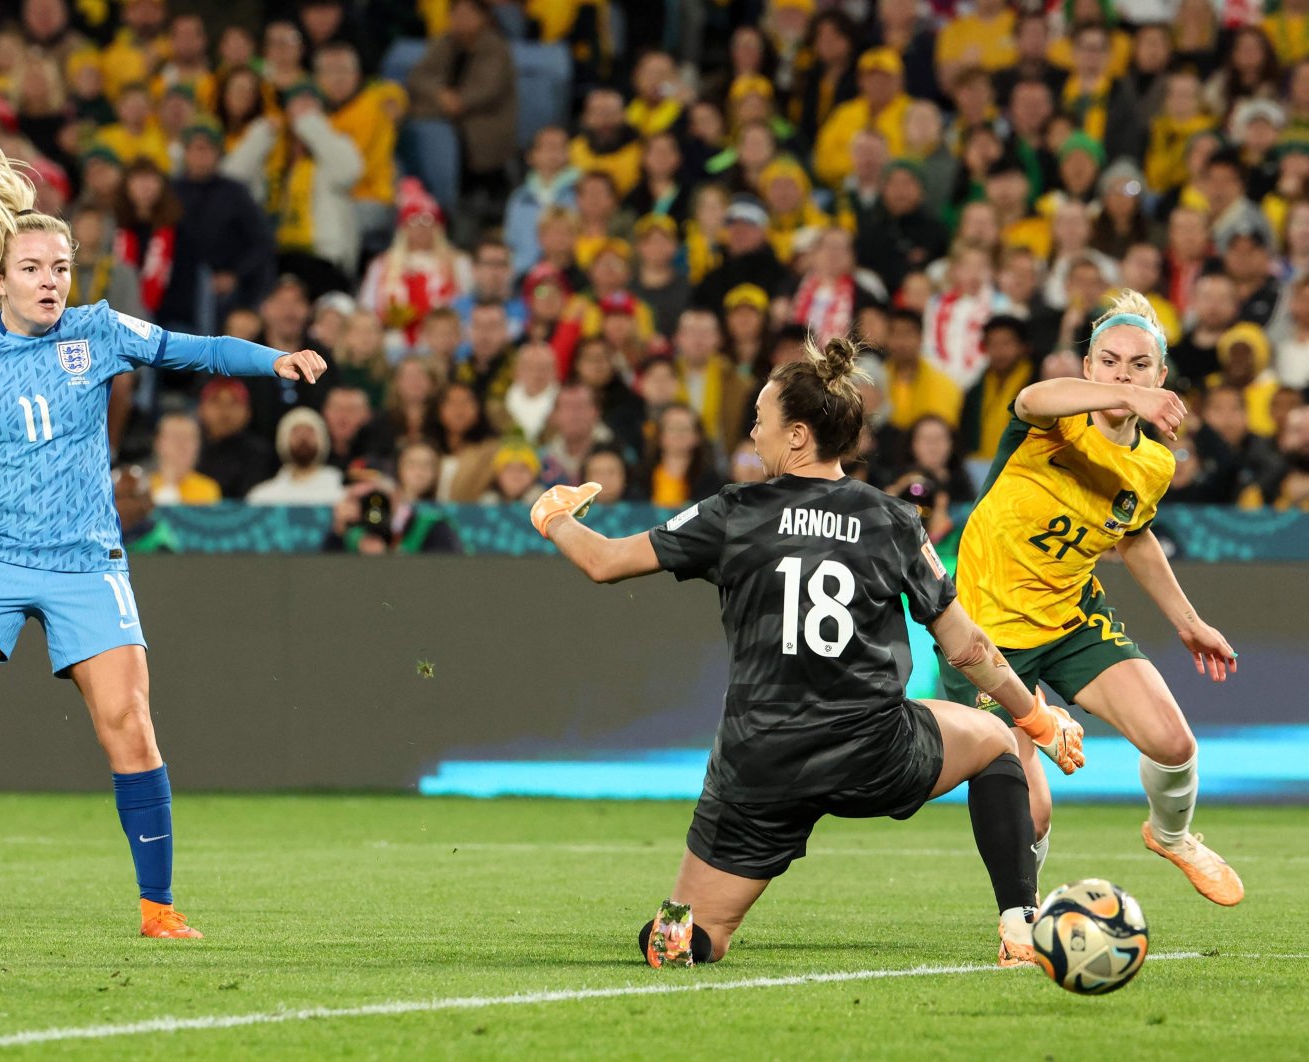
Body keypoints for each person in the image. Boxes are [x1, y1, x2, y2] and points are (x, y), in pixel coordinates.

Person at [0, 143, 327, 939]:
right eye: (35, 268)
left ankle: (158, 909)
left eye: (62, 268)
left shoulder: (100, 331)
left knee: (131, 725)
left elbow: (199, 349)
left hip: (87, 559)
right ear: (0, 279)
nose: (52, 282)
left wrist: (273, 360)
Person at [529, 336, 1084, 968]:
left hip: (760, 762)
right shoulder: (893, 521)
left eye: (761, 421)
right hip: (873, 748)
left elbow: (604, 563)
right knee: (992, 738)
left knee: (685, 936)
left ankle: (676, 931)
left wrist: (555, 518)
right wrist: (1035, 716)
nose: (753, 433)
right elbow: (967, 646)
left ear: (797, 436)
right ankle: (1019, 923)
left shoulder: (733, 511)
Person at [940, 290, 1244, 909]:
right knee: (1033, 811)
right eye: (1109, 362)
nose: (1122, 374)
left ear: (1162, 375)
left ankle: (1173, 836)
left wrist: (1188, 621)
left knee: (1174, 743)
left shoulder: (1153, 464)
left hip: (1072, 619)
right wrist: (1128, 398)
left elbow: (1132, 534)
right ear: (1088, 368)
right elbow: (1030, 397)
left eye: (1138, 366)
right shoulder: (1051, 420)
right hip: (983, 635)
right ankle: (1021, 914)